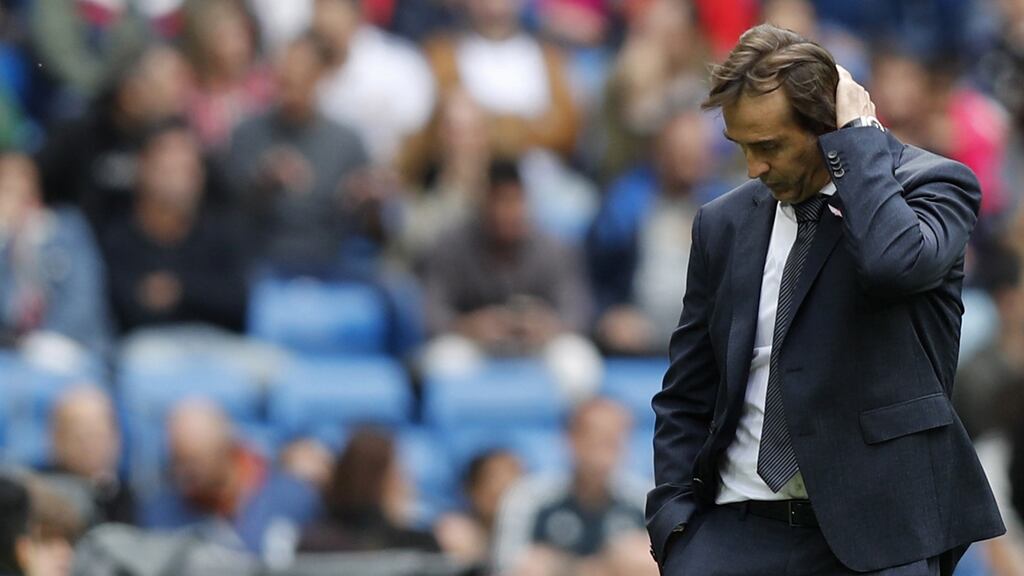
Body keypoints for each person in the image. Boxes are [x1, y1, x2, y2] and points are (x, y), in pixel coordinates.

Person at [647, 24, 1004, 576]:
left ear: (826, 127)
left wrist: (859, 141)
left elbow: (892, 264)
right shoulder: (723, 222)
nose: (753, 168)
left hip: (882, 541)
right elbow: (687, 388)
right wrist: (676, 527)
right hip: (734, 534)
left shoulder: (934, 186)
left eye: (769, 146)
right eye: (742, 147)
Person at [420, 158, 600, 402]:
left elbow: (579, 311)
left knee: (577, 362)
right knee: (443, 363)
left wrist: (547, 325)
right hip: (474, 343)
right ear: (483, 203)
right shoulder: (451, 246)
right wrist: (467, 326)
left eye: (515, 201)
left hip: (538, 344)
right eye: (499, 201)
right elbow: (431, 313)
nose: (507, 212)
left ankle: (568, 426)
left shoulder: (555, 248)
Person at [224, 34, 371, 274]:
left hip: (331, 260)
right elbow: (228, 212)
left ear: (320, 76)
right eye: (284, 77)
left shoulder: (347, 141)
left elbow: (372, 228)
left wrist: (366, 201)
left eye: (303, 75)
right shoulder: (247, 134)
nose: (291, 85)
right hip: (262, 258)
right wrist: (263, 182)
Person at [101, 119, 247, 335]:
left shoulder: (221, 229)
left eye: (188, 170)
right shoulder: (118, 236)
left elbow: (238, 303)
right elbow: (126, 309)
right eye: (170, 170)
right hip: (146, 344)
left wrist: (179, 290)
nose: (181, 182)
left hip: (217, 343)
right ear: (144, 168)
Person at [494, 398, 650, 575]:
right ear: (569, 439)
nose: (603, 452)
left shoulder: (645, 499)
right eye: (594, 438)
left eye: (613, 440)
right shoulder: (529, 496)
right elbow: (507, 565)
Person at [141, 400, 319, 555]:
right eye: (177, 462)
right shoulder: (161, 513)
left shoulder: (293, 498)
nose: (185, 473)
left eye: (195, 461)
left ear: (226, 450)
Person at [0, 152, 110, 371]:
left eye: (24, 187)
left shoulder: (68, 229)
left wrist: (44, 342)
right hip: (11, 356)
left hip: (74, 348)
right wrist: (7, 240)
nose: (18, 199)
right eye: (7, 190)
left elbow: (85, 302)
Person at [298, 428, 439, 553]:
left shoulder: (312, 541)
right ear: (384, 482)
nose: (407, 482)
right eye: (398, 473)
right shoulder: (415, 546)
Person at [44, 386, 135, 526]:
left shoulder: (130, 497)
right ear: (56, 439)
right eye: (79, 436)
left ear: (116, 438)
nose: (88, 445)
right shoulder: (42, 496)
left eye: (97, 435)